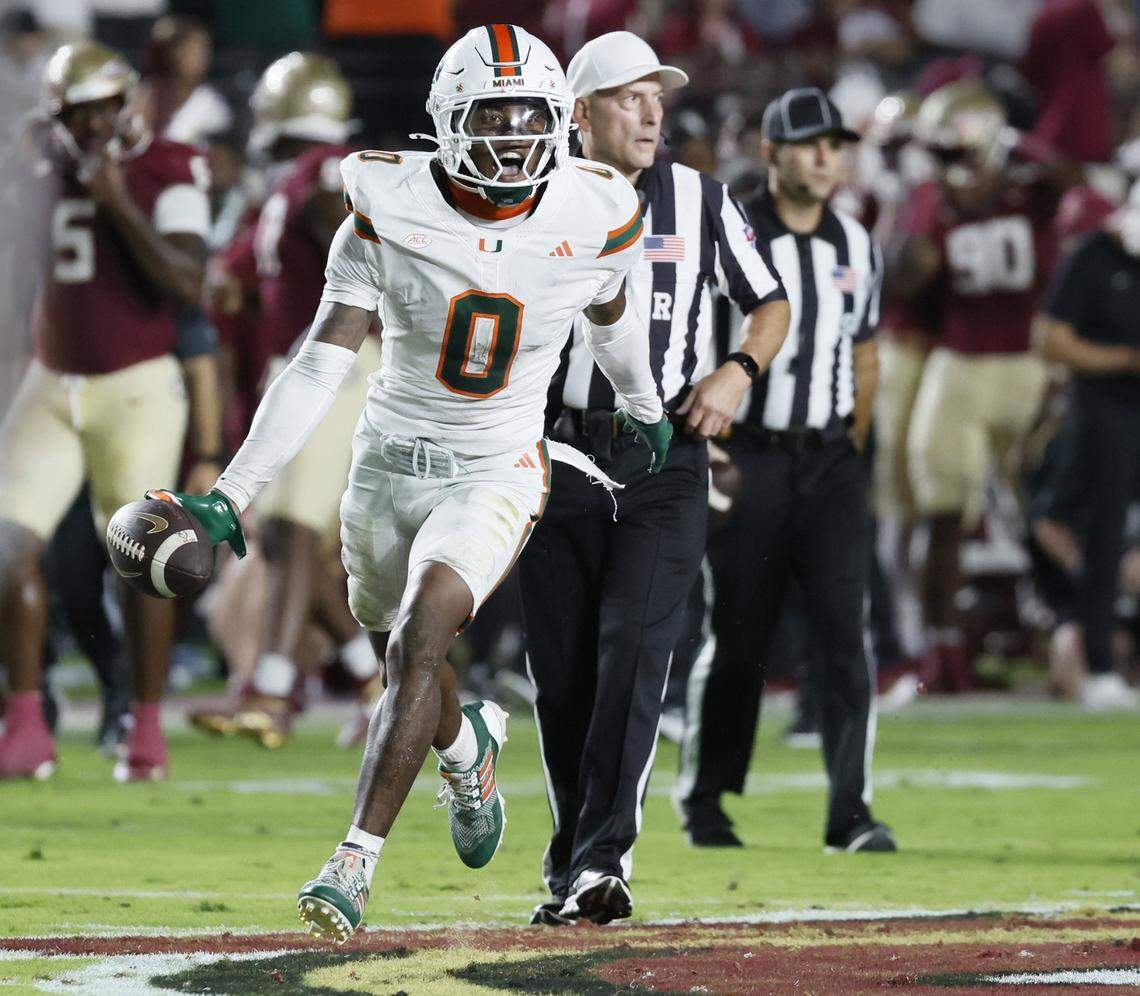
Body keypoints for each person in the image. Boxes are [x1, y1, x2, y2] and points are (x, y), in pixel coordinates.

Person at [151, 24, 671, 943]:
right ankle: (467, 746)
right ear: (448, 120)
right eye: (493, 115)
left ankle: (352, 863)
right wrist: (232, 494)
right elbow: (319, 365)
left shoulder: (596, 209)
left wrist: (642, 399)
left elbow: (614, 312)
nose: (513, 137)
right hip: (388, 461)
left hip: (498, 464)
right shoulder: (383, 204)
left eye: (529, 116)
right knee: (404, 659)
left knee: (424, 633)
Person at [518, 32, 788, 926]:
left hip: (662, 450)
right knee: (560, 674)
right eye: (629, 97)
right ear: (580, 113)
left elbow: (770, 300)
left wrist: (735, 374)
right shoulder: (530, 194)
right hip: (550, 448)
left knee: (636, 648)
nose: (651, 112)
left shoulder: (700, 198)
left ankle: (603, 861)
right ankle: (571, 857)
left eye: (657, 97)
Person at [676, 87, 894, 854]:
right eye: (808, 143)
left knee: (844, 635)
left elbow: (864, 354)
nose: (826, 156)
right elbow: (695, 331)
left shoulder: (857, 241)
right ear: (770, 152)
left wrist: (851, 444)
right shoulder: (732, 229)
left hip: (828, 459)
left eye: (835, 143)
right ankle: (705, 799)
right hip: (751, 456)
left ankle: (850, 810)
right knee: (739, 635)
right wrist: (707, 442)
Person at [0, 41, 212, 781]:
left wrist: (116, 199)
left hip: (138, 384)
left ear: (126, 105)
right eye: (73, 112)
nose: (88, 126)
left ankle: (144, 724)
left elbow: (189, 283)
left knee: (144, 563)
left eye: (99, 109)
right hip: (50, 382)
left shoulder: (171, 165)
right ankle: (26, 720)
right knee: (7, 549)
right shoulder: (37, 166)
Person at [186, 52, 382, 749]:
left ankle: (268, 690)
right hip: (303, 365)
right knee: (279, 536)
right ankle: (374, 682)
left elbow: (366, 244)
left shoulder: (329, 171)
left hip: (336, 360)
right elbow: (237, 274)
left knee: (295, 529)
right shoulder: (284, 184)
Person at [895, 80, 1066, 692]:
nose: (954, 168)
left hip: (1030, 364)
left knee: (1051, 502)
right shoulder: (933, 205)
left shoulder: (1033, 191)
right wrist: (925, 204)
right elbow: (907, 281)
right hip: (960, 360)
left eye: (961, 152)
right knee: (943, 509)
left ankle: (1069, 628)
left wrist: (1011, 149)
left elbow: (1070, 179)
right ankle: (940, 650)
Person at [1032, 186, 1140, 710]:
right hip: (1108, 411)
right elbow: (1049, 338)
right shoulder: (1093, 256)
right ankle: (1099, 664)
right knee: (1104, 536)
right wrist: (1123, 359)